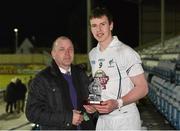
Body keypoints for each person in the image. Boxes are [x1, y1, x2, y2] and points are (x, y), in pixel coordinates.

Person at [83, 7, 148, 130]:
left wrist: (118, 103)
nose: (99, 30)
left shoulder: (126, 52)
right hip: (102, 120)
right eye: (94, 25)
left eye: (103, 24)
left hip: (124, 119)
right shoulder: (93, 54)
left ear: (111, 25)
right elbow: (100, 83)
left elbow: (143, 88)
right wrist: (93, 105)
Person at [25, 36, 95, 130]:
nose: (67, 53)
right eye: (62, 49)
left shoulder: (81, 74)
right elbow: (32, 112)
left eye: (70, 49)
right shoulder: (42, 79)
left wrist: (93, 107)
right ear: (53, 54)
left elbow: (88, 99)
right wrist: (67, 118)